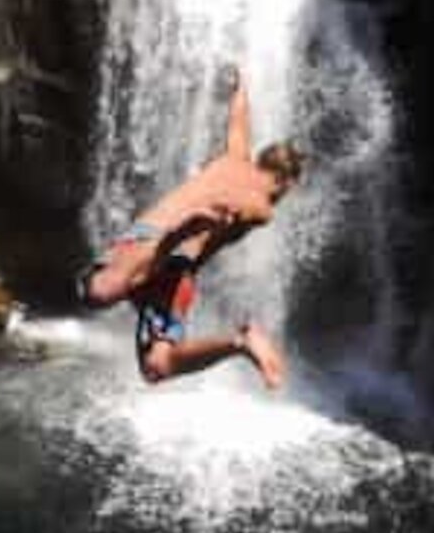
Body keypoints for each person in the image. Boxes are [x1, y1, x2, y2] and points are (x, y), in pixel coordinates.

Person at [77, 69, 305, 388]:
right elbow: (250, 209)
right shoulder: (264, 207)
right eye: (291, 188)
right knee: (159, 366)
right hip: (175, 263)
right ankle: (239, 341)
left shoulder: (234, 156)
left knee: (99, 292)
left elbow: (239, 119)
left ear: (262, 159)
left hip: (154, 238)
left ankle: (181, 235)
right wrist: (229, 212)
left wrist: (240, 85)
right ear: (287, 180)